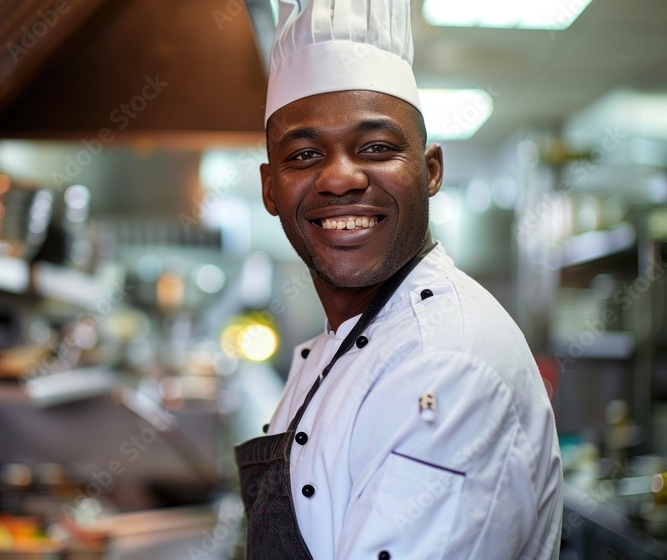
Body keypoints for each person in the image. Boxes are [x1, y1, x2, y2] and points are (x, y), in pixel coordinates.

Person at [234, 0, 563, 558]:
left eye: (378, 148)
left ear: (430, 170)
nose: (339, 178)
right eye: (306, 153)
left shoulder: (447, 363)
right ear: (270, 189)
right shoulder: (347, 342)